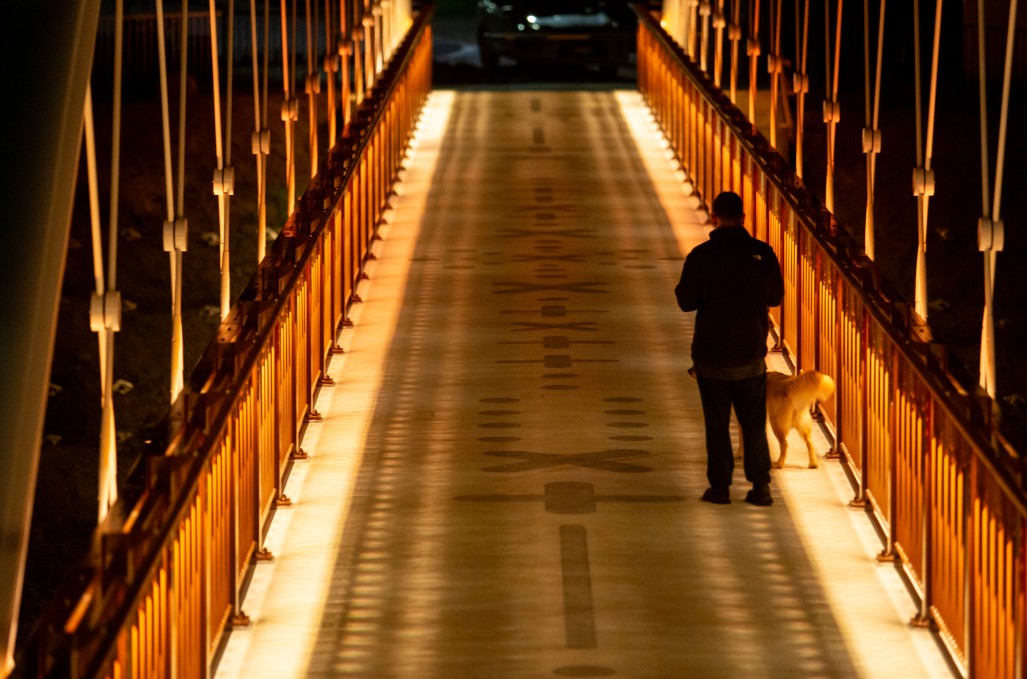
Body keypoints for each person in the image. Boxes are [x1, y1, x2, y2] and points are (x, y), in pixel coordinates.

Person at [674, 191, 784, 506]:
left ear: (714, 216)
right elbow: (775, 297)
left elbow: (685, 302)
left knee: (717, 425)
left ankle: (720, 488)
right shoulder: (762, 253)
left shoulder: (702, 255)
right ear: (744, 218)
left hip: (712, 357)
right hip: (750, 355)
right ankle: (761, 487)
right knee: (753, 424)